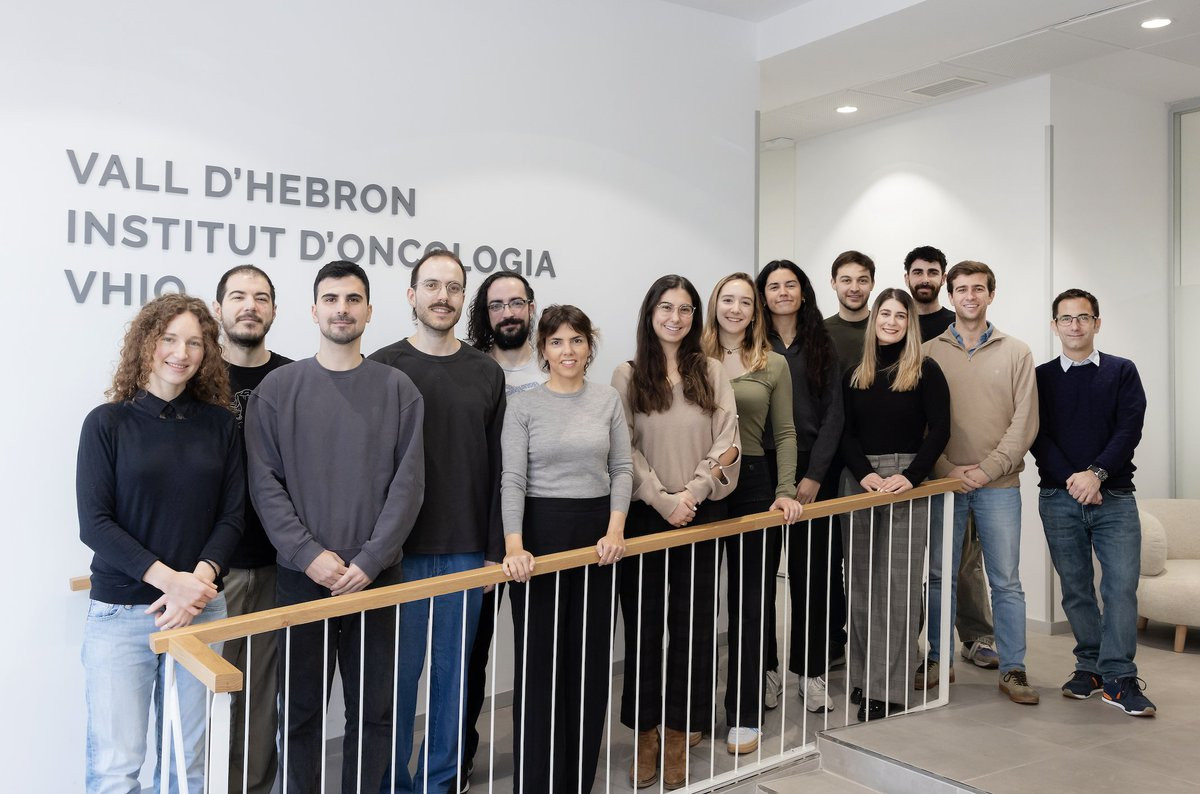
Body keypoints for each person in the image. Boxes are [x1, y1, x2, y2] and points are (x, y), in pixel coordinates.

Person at [246, 261, 425, 793]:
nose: (341, 309)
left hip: (376, 579)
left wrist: (369, 560)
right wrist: (308, 555)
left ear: (369, 311)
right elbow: (264, 484)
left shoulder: (399, 390)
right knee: (300, 713)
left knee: (374, 712)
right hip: (301, 579)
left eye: (352, 299)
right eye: (331, 299)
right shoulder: (277, 390)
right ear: (313, 310)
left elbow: (408, 486)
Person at [78, 293, 243, 794]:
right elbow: (95, 524)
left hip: (200, 612)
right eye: (169, 339)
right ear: (146, 344)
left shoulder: (220, 424)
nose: (181, 352)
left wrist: (199, 581)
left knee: (187, 766)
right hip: (122, 614)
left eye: (194, 342)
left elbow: (233, 516)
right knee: (116, 768)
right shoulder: (107, 423)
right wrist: (173, 583)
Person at [370, 249, 506, 794]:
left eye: (453, 287)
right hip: (398, 554)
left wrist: (495, 548)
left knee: (453, 682)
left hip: (466, 551)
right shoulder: (382, 366)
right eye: (431, 285)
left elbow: (499, 466)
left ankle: (440, 781)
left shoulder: (486, 372)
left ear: (463, 297)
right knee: (396, 682)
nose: (442, 297)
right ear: (412, 295)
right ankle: (391, 784)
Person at [611, 274, 741, 789]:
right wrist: (662, 499)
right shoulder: (627, 375)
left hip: (698, 512)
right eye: (666, 307)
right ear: (650, 313)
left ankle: (680, 734)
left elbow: (727, 441)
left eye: (685, 309)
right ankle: (645, 735)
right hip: (645, 515)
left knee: (693, 630)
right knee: (643, 629)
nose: (675, 317)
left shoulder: (712, 371)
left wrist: (693, 492)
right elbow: (622, 447)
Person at [499, 304, 633, 792]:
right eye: (556, 341)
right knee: (539, 666)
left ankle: (577, 779)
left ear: (589, 347)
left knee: (590, 663)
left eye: (577, 340)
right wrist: (515, 545)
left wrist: (615, 531)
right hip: (540, 539)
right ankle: (534, 781)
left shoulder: (607, 400)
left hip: (599, 540)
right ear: (543, 349)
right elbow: (512, 480)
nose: (568, 350)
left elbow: (622, 469)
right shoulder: (524, 406)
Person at [1031, 289, 1155, 716]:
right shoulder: (1041, 377)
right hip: (1059, 497)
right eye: (1066, 318)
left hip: (1114, 496)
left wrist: (1096, 474)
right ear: (1055, 326)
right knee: (1076, 589)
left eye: (1083, 317)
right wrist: (1075, 480)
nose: (1075, 325)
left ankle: (1119, 678)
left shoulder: (1122, 371)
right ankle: (1090, 666)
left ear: (1097, 323)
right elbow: (1036, 435)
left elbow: (1129, 428)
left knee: (1120, 587)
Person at [923, 260, 1040, 705]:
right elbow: (921, 423)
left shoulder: (1017, 352)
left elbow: (1024, 422)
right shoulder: (929, 352)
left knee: (1005, 581)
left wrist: (987, 470)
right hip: (946, 484)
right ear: (950, 295)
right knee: (940, 577)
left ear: (991, 294)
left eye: (978, 289)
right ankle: (939, 661)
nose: (969, 296)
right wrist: (946, 470)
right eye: (961, 289)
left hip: (999, 486)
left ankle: (1013, 669)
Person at [701, 273, 803, 755]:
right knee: (697, 603)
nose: (736, 309)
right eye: (728, 299)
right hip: (701, 481)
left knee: (751, 602)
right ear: (714, 304)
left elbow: (785, 433)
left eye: (745, 301)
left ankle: (744, 713)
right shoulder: (690, 356)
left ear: (755, 310)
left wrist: (785, 491)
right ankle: (691, 713)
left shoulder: (773, 362)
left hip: (755, 483)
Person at [840, 289, 950, 722]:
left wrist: (912, 476)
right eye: (884, 314)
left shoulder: (926, 370)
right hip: (860, 481)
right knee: (861, 587)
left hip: (906, 480)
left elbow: (939, 430)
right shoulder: (855, 372)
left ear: (910, 323)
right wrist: (863, 472)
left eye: (899, 315)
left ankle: (889, 689)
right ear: (874, 319)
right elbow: (844, 431)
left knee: (898, 588)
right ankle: (864, 678)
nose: (891, 321)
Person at [460, 271, 544, 788]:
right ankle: (459, 756)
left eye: (516, 303)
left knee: (540, 651)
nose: (508, 313)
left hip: (546, 525)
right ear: (484, 314)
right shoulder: (471, 369)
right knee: (471, 652)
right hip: (482, 530)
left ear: (531, 307)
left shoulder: (555, 363)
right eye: (497, 305)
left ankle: (537, 757)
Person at [211, 265, 292, 794]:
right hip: (209, 570)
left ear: (274, 311)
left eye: (261, 298)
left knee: (262, 698)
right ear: (219, 308)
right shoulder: (195, 376)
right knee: (206, 698)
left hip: (277, 564)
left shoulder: (294, 378)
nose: (250, 306)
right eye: (238, 296)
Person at [755, 260, 845, 715]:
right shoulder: (751, 344)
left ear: (804, 292)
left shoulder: (822, 344)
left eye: (790, 284)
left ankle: (810, 672)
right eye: (774, 286)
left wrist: (814, 477)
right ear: (763, 295)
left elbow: (835, 416)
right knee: (761, 578)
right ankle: (767, 670)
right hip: (761, 470)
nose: (783, 292)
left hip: (814, 471)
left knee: (814, 578)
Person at [903, 245, 998, 673]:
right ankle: (911, 645)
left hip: (958, 468)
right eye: (917, 271)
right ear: (907, 277)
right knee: (913, 563)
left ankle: (976, 636)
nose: (924, 278)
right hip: (910, 463)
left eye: (932, 272)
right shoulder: (898, 320)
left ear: (943, 279)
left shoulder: (955, 325)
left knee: (964, 561)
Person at [824, 250, 876, 373]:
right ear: (833, 283)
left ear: (872, 284)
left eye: (862, 280)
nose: (854, 288)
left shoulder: (886, 329)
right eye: (846, 280)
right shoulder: (820, 332)